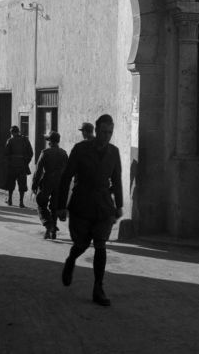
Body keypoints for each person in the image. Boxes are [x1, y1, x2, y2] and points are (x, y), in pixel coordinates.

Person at [57, 114, 123, 306]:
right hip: (82, 202)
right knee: (82, 243)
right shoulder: (80, 149)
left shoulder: (114, 152)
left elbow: (117, 180)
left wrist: (118, 205)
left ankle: (98, 288)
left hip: (103, 206)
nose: (107, 136)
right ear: (96, 130)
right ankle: (71, 259)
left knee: (100, 244)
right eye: (103, 132)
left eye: (110, 132)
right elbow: (66, 176)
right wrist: (61, 206)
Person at [32, 131, 68, 239]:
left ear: (50, 142)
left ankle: (49, 225)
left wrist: (34, 184)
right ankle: (53, 232)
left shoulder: (45, 152)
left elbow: (38, 170)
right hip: (59, 182)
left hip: (47, 181)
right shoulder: (64, 153)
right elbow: (68, 170)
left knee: (41, 204)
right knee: (54, 207)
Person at [4, 125, 33, 207]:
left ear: (12, 132)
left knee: (10, 183)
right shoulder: (25, 140)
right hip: (22, 166)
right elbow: (30, 153)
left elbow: (6, 154)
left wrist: (9, 162)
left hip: (12, 166)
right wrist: (25, 162)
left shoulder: (10, 141)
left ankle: (10, 200)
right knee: (22, 184)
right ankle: (21, 202)